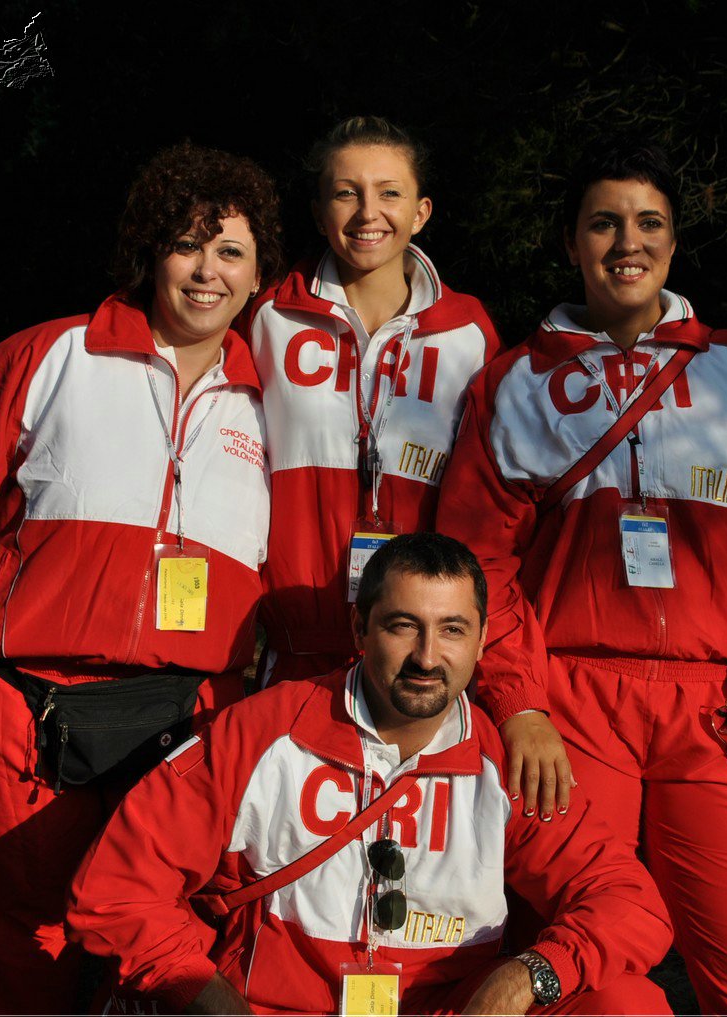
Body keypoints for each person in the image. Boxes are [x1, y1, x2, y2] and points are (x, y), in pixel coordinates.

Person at [435, 140, 727, 1017]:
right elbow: (475, 559)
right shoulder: (517, 379)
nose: (628, 241)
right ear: (572, 241)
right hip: (570, 707)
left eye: (648, 222)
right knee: (589, 976)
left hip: (722, 706)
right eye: (605, 222)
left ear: (674, 241)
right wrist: (520, 702)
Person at [0, 143, 282, 1017]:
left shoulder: (270, 399)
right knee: (24, 943)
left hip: (184, 719)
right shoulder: (55, 353)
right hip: (20, 706)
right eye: (187, 244)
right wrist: (5, 609)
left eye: (230, 252)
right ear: (149, 252)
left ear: (257, 274)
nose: (207, 270)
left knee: (154, 944)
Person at [66, 533, 676, 1017]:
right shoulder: (261, 732)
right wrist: (221, 1014)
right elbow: (116, 891)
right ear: (360, 628)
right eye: (403, 625)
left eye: (452, 630)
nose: (427, 657)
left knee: (631, 1016)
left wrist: (526, 977)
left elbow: (630, 904)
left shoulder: (508, 764)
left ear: (484, 639)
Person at [240, 118, 569, 821]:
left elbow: (492, 517)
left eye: (389, 193)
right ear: (319, 208)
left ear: (421, 210)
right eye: (346, 193)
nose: (369, 214)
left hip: (416, 661)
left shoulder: (470, 332)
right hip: (298, 650)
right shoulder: (267, 316)